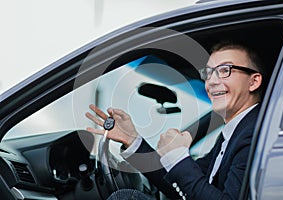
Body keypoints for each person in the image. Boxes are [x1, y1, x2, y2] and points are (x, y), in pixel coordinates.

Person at [85, 41, 264, 199]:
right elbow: (182, 185)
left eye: (225, 70)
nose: (212, 82)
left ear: (253, 82)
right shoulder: (233, 134)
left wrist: (178, 156)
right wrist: (131, 140)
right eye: (208, 73)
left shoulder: (255, 133)